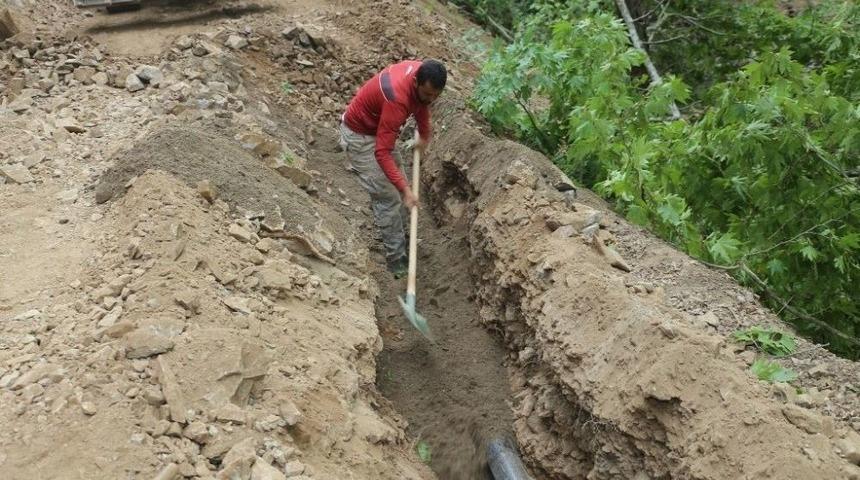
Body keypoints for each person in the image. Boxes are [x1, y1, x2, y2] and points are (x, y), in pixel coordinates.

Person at [339, 59, 447, 278]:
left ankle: (404, 239)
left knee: (400, 188)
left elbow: (421, 106)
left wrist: (425, 135)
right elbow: (381, 152)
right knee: (389, 197)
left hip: (377, 131)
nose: (431, 99)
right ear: (416, 81)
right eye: (427, 94)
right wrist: (406, 190)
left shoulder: (422, 75)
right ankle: (397, 262)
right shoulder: (397, 99)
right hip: (360, 137)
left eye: (436, 95)